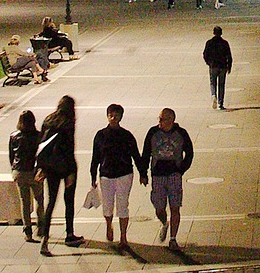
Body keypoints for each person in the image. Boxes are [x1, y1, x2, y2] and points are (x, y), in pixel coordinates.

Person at [89, 104, 146, 249]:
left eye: (116, 115)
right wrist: (92, 176)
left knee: (123, 204)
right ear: (107, 116)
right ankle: (109, 225)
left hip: (124, 174)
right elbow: (95, 157)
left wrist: (143, 173)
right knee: (107, 205)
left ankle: (123, 236)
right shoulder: (100, 135)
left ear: (121, 117)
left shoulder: (126, 135)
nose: (113, 118)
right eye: (111, 115)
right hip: (106, 174)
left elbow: (135, 155)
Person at [140, 107, 194, 252]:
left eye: (162, 119)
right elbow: (145, 152)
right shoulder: (153, 132)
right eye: (159, 118)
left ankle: (173, 239)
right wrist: (143, 173)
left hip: (174, 175)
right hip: (157, 175)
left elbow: (189, 152)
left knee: (175, 206)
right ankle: (164, 222)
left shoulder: (181, 133)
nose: (160, 121)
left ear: (171, 120)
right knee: (159, 208)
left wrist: (181, 169)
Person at [38, 94, 83, 253]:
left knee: (51, 201)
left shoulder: (48, 120)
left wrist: (41, 167)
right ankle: (69, 234)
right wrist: (71, 171)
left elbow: (41, 144)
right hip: (66, 166)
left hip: (50, 167)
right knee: (68, 201)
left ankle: (44, 237)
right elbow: (69, 148)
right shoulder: (68, 123)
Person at [9, 109, 44, 241]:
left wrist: (14, 170)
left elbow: (11, 156)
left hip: (20, 172)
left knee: (24, 201)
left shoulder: (14, 136)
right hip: (34, 173)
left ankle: (27, 230)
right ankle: (41, 226)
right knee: (39, 199)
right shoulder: (39, 136)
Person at [203, 25, 233, 110]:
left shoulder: (209, 43)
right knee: (221, 84)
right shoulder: (225, 43)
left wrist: (209, 63)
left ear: (213, 33)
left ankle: (213, 95)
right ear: (221, 33)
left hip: (213, 66)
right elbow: (229, 55)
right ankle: (221, 103)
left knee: (213, 83)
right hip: (223, 66)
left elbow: (205, 54)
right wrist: (229, 66)